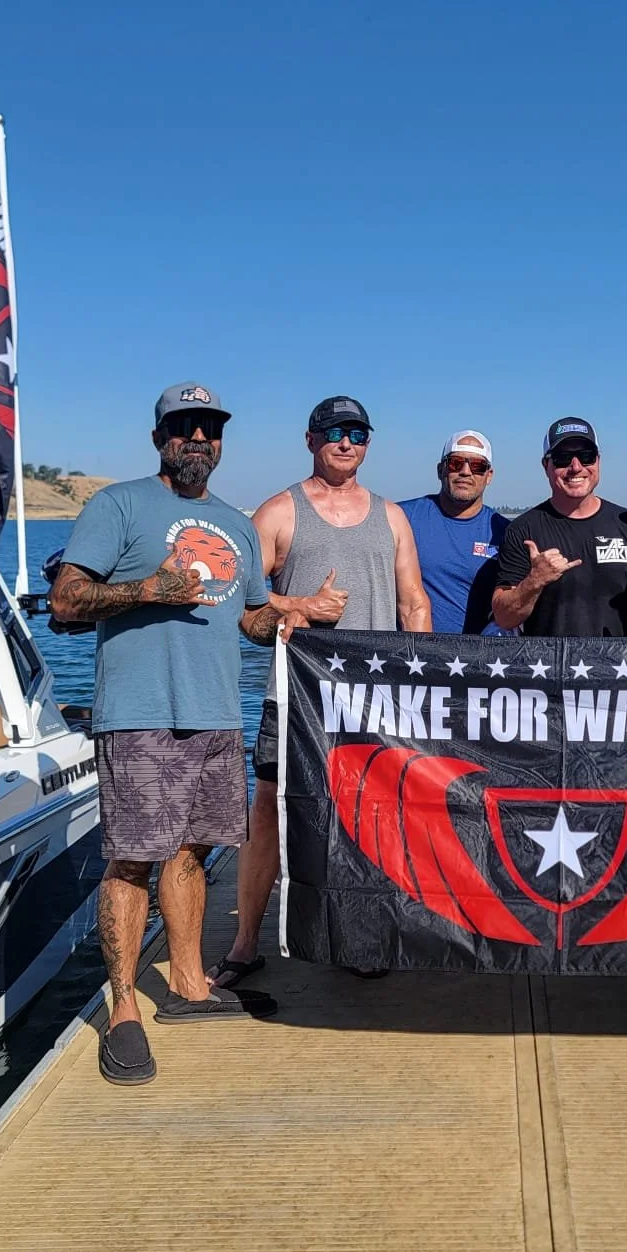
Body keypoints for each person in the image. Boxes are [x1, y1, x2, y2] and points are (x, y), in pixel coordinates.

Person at [48, 382, 305, 1089]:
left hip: (216, 711)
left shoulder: (237, 523)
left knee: (192, 852)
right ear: (161, 436)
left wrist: (288, 616)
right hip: (138, 712)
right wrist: (145, 591)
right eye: (184, 427)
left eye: (210, 428)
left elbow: (248, 617)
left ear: (221, 441)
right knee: (132, 859)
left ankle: (190, 981)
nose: (198, 438)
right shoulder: (118, 505)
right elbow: (68, 600)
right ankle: (124, 1005)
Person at [212, 393, 432, 988]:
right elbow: (235, 596)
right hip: (296, 695)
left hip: (375, 696)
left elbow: (413, 600)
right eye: (333, 431)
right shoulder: (279, 512)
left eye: (357, 433)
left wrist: (426, 668)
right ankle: (242, 943)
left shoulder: (390, 516)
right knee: (269, 813)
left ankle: (364, 934)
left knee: (373, 814)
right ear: (310, 439)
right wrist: (299, 606)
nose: (345, 441)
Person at [493, 416, 627, 638]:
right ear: (546, 465)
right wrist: (534, 581)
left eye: (586, 456)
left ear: (598, 460)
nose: (576, 467)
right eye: (562, 458)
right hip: (547, 670)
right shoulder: (522, 531)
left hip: (618, 670)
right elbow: (503, 617)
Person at [398, 429, 512, 635]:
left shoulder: (506, 532)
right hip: (413, 657)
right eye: (456, 463)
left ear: (489, 476)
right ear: (441, 469)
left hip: (478, 660)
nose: (466, 472)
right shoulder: (401, 517)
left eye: (478, 466)